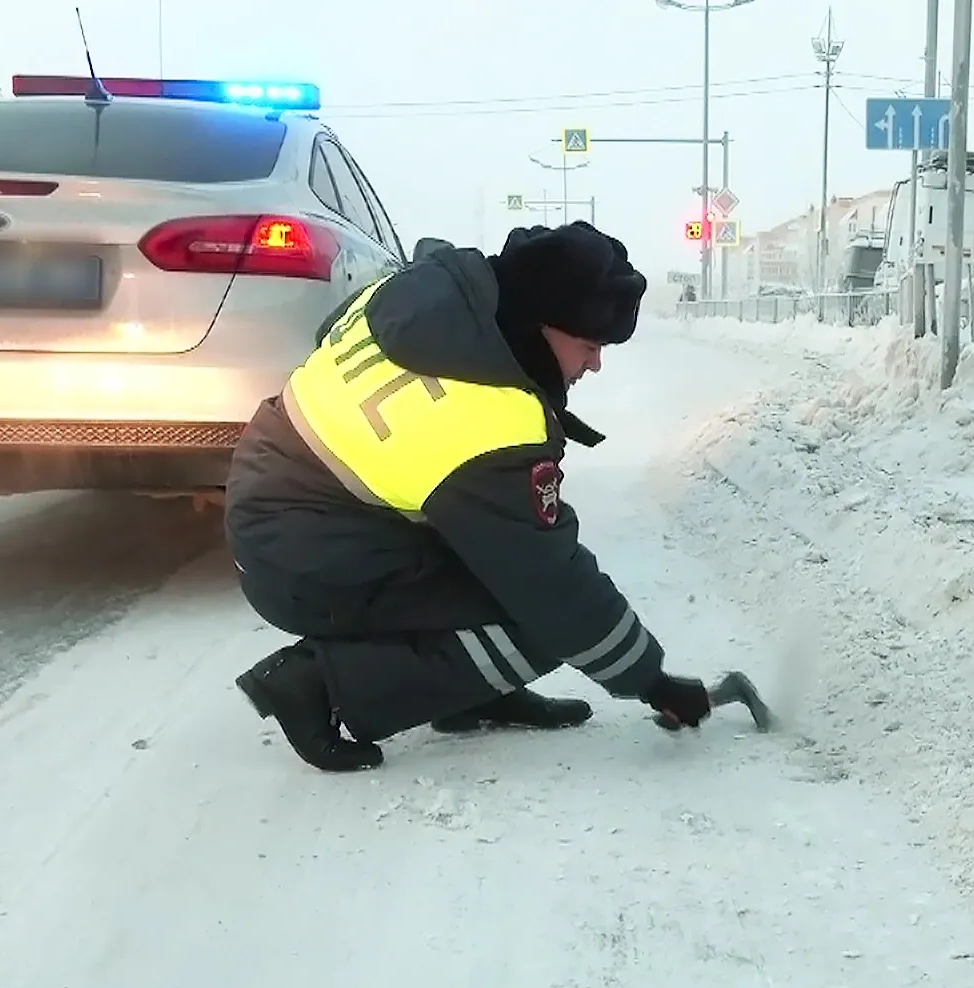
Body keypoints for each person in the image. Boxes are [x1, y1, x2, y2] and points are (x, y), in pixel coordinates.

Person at [223, 221, 715, 771]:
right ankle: (317, 683)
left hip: (277, 495)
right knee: (538, 620)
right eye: (589, 344)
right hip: (302, 560)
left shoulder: (414, 301)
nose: (594, 364)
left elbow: (326, 341)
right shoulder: (488, 418)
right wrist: (653, 682)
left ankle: (473, 694)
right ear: (541, 323)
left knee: (497, 567)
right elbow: (552, 586)